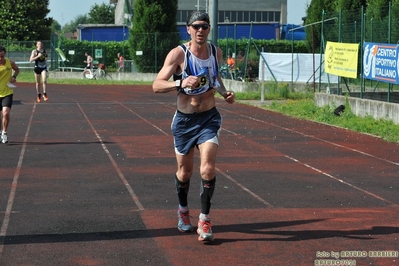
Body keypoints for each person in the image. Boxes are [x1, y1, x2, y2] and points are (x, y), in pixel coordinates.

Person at [152, 11, 235, 242]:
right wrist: (180, 82)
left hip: (209, 118)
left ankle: (205, 219)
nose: (201, 30)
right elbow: (156, 85)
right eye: (196, 26)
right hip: (184, 121)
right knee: (185, 172)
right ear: (188, 29)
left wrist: (224, 93)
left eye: (205, 26)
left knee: (207, 169)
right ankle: (183, 211)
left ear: (209, 29)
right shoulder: (179, 54)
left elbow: (215, 78)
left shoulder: (215, 52)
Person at [0, 45, 19, 144]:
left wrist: (14, 77)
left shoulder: (10, 63)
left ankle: (4, 133)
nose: (0, 59)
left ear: (5, 55)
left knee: (6, 113)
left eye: (2, 56)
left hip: (7, 92)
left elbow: (17, 69)